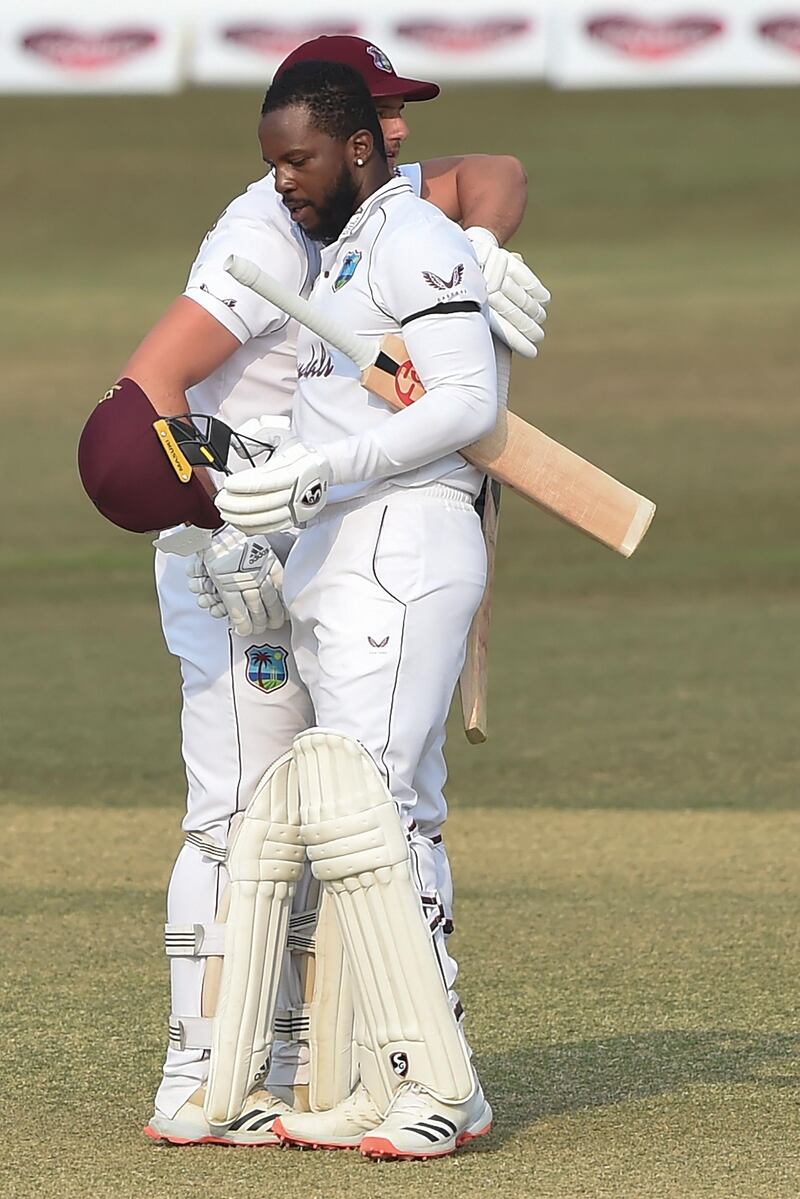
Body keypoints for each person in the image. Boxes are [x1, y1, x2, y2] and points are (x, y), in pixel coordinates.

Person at [81, 36, 549, 1147]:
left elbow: (497, 173)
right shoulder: (272, 236)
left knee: (343, 815)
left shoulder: (365, 211)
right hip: (240, 543)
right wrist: (215, 520)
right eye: (377, 116)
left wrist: (474, 252)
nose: (396, 134)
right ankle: (201, 1073)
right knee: (249, 820)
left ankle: (329, 1062)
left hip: (324, 534)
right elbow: (136, 403)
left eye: (392, 115)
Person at [215, 58, 500, 1160]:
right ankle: (395, 1074)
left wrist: (318, 478)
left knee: (365, 809)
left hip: (404, 538)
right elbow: (347, 413)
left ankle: (439, 1087)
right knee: (385, 813)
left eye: (298, 159)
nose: (283, 181)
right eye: (272, 162)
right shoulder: (347, 253)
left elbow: (465, 400)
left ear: (362, 149)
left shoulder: (414, 238)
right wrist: (258, 473)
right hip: (348, 544)